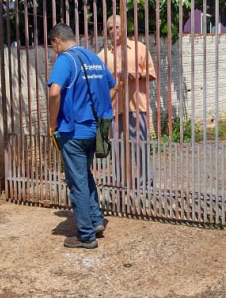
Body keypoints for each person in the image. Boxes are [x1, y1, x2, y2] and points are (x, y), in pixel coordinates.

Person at [48, 23, 117, 249]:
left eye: (52, 45)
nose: (53, 50)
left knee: (76, 182)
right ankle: (96, 220)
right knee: (85, 176)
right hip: (93, 131)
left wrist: (52, 122)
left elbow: (54, 91)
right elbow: (113, 86)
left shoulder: (66, 60)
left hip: (72, 131)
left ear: (57, 40)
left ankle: (86, 235)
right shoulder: (93, 58)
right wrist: (99, 110)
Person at [98, 14, 156, 188]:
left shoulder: (139, 48)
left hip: (137, 106)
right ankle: (122, 182)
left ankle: (147, 182)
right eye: (110, 28)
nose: (114, 30)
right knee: (118, 148)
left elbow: (152, 74)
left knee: (141, 146)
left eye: (116, 26)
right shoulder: (102, 56)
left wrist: (135, 75)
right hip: (115, 109)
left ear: (124, 27)